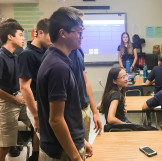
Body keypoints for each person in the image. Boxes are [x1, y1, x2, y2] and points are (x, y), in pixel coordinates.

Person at [36, 7, 92, 160]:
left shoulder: (56, 59)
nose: (81, 36)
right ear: (62, 33)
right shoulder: (58, 67)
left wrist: (81, 140)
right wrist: (75, 155)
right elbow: (56, 120)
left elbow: (67, 112)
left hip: (65, 145)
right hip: (62, 152)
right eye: (78, 32)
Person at [66, 7, 102, 142]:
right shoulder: (58, 56)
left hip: (84, 109)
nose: (82, 29)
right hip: (71, 114)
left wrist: (94, 112)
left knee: (84, 151)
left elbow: (85, 82)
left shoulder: (78, 50)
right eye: (79, 26)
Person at [18, 18, 52, 161]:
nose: (53, 39)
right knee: (47, 143)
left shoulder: (46, 51)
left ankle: (35, 155)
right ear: (40, 33)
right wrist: (36, 116)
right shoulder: (27, 54)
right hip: (37, 104)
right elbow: (25, 87)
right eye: (51, 35)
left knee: (41, 140)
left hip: (47, 102)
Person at [0, 20, 31, 161]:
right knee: (6, 146)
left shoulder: (15, 55)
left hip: (18, 98)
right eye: (20, 35)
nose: (23, 38)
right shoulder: (1, 57)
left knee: (39, 124)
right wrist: (14, 99)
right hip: (7, 102)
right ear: (10, 37)